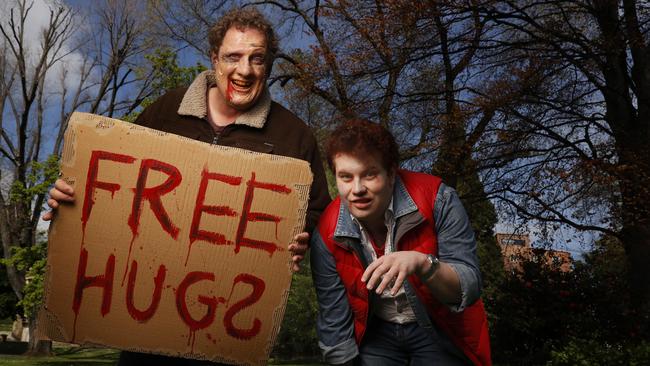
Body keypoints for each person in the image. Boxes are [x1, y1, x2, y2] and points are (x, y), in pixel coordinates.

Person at [43, 7, 330, 366]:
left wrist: (301, 233)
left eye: (257, 59)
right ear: (214, 59)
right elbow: (119, 180)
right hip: (145, 321)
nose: (245, 70)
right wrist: (72, 196)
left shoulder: (294, 136)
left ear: (269, 65)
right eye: (233, 57)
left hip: (230, 327)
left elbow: (321, 213)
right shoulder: (166, 110)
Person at [310, 119, 491, 365]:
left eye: (370, 174)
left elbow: (468, 285)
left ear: (392, 173)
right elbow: (333, 316)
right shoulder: (326, 231)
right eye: (345, 177)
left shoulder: (439, 199)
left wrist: (423, 264)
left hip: (440, 328)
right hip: (376, 333)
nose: (357, 189)